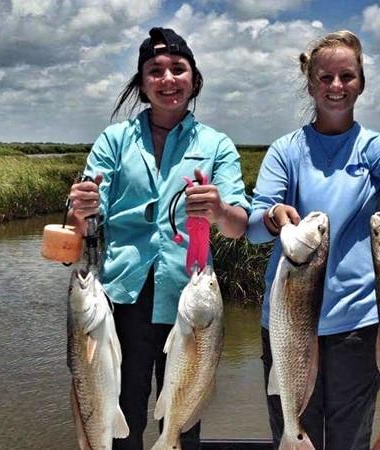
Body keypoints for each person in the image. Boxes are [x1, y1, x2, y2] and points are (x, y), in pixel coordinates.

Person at [246, 30, 380, 450]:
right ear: (310, 82)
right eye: (325, 77)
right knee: (292, 428)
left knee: (349, 439)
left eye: (346, 76)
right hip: (287, 323)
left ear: (361, 82)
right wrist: (270, 215)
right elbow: (252, 226)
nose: (336, 87)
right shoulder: (286, 150)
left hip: (358, 324)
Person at [66, 27, 250, 450]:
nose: (168, 79)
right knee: (122, 406)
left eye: (178, 69)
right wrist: (80, 209)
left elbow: (237, 226)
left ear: (194, 79)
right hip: (121, 295)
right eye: (155, 71)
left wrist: (219, 210)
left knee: (185, 410)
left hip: (191, 298)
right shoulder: (114, 141)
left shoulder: (216, 145)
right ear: (142, 83)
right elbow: (86, 225)